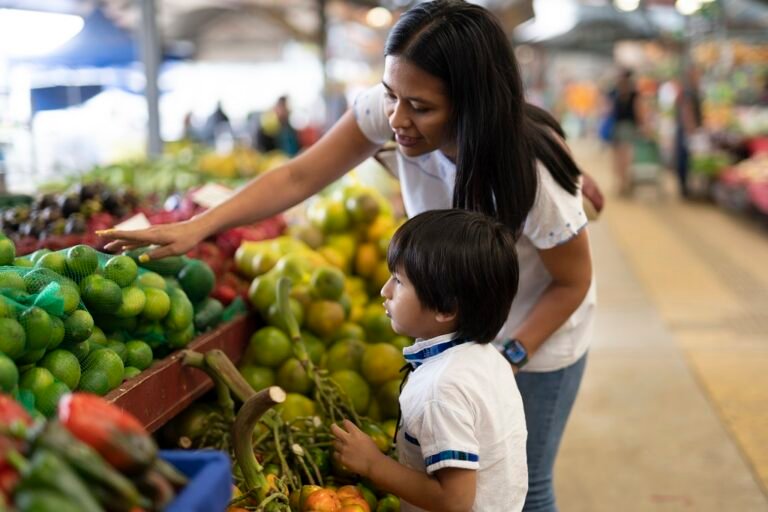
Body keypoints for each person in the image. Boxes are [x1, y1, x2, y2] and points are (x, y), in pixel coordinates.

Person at [100, 3, 595, 510]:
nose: (397, 119)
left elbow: (572, 283)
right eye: (390, 95)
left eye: (421, 108)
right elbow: (298, 176)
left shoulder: (529, 174)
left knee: (524, 484)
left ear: (472, 105)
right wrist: (199, 226)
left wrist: (509, 356)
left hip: (535, 332)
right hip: (457, 327)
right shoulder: (396, 110)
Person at [332, 209, 527, 511]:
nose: (385, 290)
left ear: (446, 308)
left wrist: (373, 464)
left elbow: (455, 500)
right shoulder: (488, 358)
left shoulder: (440, 391)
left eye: (398, 281)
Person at [609, 69, 641, 195]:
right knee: (626, 156)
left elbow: (610, 110)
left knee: (619, 156)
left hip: (618, 126)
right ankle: (624, 181)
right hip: (627, 126)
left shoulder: (616, 92)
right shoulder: (633, 94)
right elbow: (638, 111)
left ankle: (621, 182)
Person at [674, 66, 703, 198]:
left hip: (685, 130)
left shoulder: (689, 90)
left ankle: (686, 187)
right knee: (684, 160)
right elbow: (686, 111)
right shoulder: (688, 92)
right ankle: (684, 188)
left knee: (685, 160)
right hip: (686, 130)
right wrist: (690, 129)